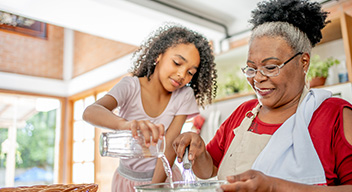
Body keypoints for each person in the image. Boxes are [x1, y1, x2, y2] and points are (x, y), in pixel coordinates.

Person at [172, 0, 352, 191]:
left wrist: (274, 186)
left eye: (271, 67)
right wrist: (199, 151)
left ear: (304, 62)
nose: (258, 78)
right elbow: (210, 169)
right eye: (251, 68)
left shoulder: (335, 114)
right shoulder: (243, 114)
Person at [82, 24, 217, 191]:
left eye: (190, 72)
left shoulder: (184, 95)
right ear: (158, 55)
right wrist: (125, 125)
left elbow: (169, 148)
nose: (182, 75)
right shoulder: (130, 86)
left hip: (163, 180)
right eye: (177, 63)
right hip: (126, 181)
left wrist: (154, 188)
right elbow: (90, 112)